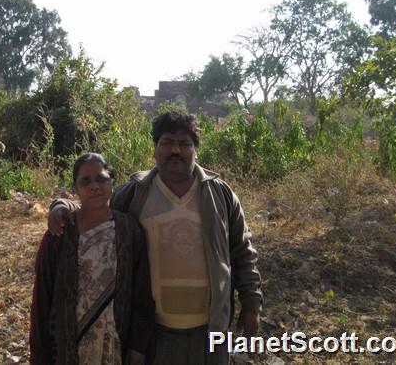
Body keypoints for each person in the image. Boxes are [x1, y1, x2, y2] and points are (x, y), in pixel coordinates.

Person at [48, 112, 263, 365]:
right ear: (155, 149)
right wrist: (61, 205)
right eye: (167, 142)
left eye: (185, 143)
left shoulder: (220, 195)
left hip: (211, 330)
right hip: (155, 335)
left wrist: (251, 304)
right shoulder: (134, 194)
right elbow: (96, 209)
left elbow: (242, 251)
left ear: (196, 150)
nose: (176, 150)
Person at [30, 153, 154, 365]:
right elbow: (43, 297)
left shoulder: (129, 230)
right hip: (67, 348)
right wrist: (40, 355)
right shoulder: (59, 234)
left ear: (112, 181)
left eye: (101, 178)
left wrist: (137, 347)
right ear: (76, 188)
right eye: (85, 181)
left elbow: (141, 294)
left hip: (115, 345)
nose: (94, 186)